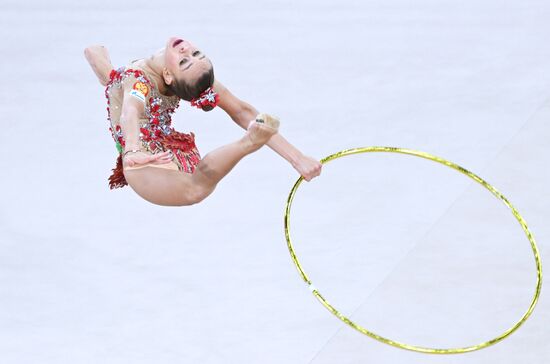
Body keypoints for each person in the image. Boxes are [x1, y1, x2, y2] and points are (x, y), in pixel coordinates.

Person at [84, 37, 322, 206]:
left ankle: (250, 142)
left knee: (196, 189)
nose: (187, 51)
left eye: (189, 59)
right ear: (167, 76)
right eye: (191, 56)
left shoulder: (148, 80)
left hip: (156, 152)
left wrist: (298, 159)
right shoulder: (137, 81)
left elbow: (242, 111)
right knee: (195, 190)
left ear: (169, 76)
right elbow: (130, 112)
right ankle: (248, 143)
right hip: (145, 158)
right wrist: (133, 149)